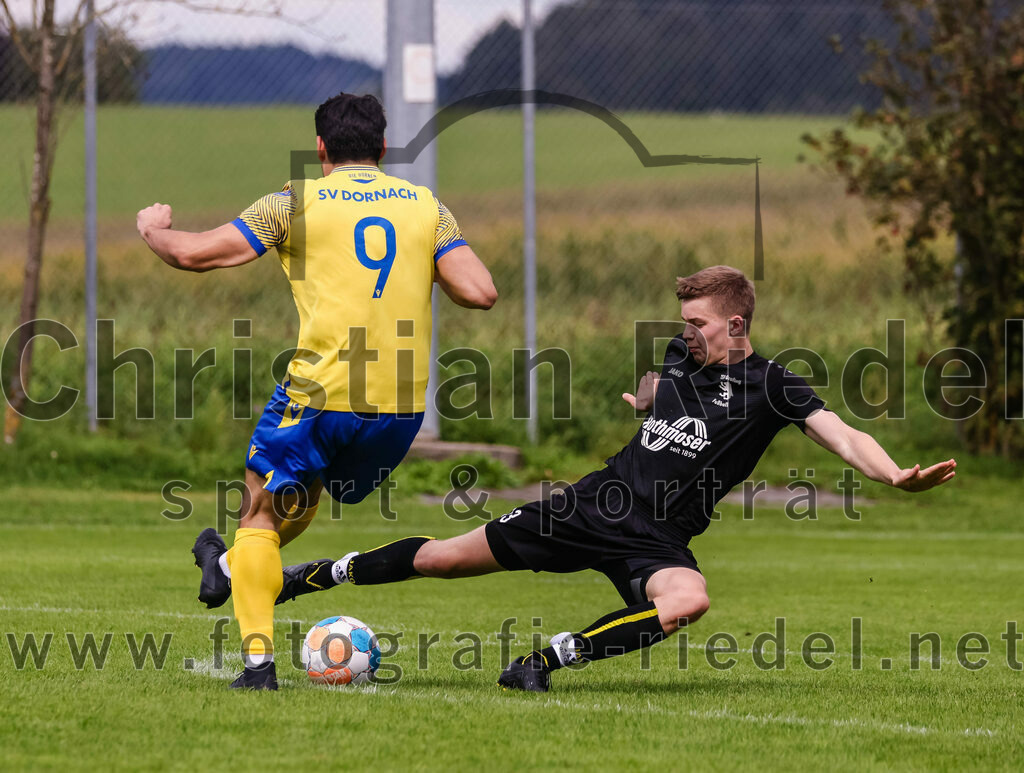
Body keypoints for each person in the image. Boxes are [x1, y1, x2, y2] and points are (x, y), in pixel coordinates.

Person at [273, 265, 956, 692]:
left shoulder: (772, 384)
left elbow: (842, 432)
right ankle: (301, 579)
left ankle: (543, 662)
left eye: (698, 322)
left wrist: (894, 473)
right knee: (445, 559)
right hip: (591, 504)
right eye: (683, 321)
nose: (686, 331)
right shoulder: (679, 355)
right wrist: (647, 394)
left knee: (689, 600)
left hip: (657, 540)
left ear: (737, 323)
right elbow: (661, 380)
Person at [136, 92, 497, 690]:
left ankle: (256, 665)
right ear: (382, 148)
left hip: (320, 392)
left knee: (256, 514)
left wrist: (154, 231)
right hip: (400, 408)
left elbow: (196, 255)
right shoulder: (427, 208)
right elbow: (480, 291)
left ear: (322, 149)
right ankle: (225, 567)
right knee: (298, 502)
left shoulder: (293, 201)